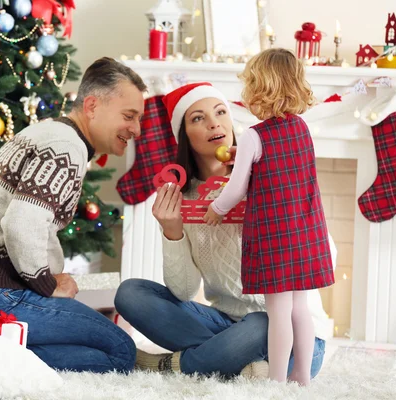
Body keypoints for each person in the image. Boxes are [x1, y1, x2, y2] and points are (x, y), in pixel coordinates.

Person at [0, 57, 147, 373]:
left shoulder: (50, 132)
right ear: (91, 106)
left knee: (93, 338)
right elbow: (21, 223)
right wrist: (47, 285)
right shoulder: (65, 147)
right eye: (129, 116)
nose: (137, 130)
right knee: (119, 351)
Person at [115, 81, 335, 379]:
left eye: (220, 112)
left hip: (290, 330)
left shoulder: (269, 174)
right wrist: (173, 232)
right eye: (198, 118)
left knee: (263, 324)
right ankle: (236, 360)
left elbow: (325, 258)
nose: (214, 123)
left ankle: (179, 365)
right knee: (131, 293)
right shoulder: (184, 197)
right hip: (227, 323)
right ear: (185, 135)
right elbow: (184, 292)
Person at [204, 48, 335, 385]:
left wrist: (216, 209)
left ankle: (276, 379)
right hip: (306, 232)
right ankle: (302, 375)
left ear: (259, 87)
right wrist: (247, 157)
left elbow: (235, 190)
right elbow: (284, 172)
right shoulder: (302, 129)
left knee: (278, 313)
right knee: (300, 310)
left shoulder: (253, 135)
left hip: (274, 238)